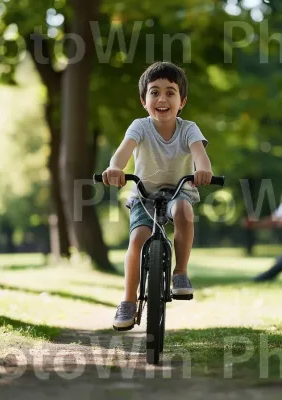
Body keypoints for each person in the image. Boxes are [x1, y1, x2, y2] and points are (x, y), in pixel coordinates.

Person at [101, 61, 214, 330]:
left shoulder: (189, 129)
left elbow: (200, 155)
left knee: (184, 213)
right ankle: (128, 300)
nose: (162, 98)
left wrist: (204, 171)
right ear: (144, 100)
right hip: (144, 193)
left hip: (179, 190)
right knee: (138, 238)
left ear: (182, 101)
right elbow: (123, 151)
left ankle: (181, 273)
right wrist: (115, 167)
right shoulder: (140, 127)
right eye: (154, 92)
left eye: (170, 92)